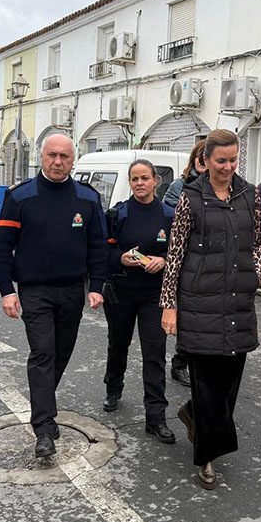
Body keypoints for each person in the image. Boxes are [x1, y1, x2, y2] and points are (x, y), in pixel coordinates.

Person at [0, 133, 108, 459]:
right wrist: (6, 292)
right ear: (42, 157)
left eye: (65, 157)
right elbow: (1, 248)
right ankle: (43, 427)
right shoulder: (21, 196)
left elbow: (99, 245)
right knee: (43, 352)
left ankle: (44, 407)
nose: (58, 162)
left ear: (73, 160)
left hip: (72, 289)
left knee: (61, 353)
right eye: (52, 155)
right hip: (35, 290)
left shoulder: (87, 198)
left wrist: (97, 286)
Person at [160, 129, 261, 490]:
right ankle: (205, 458)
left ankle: (192, 415)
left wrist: (258, 275)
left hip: (238, 300)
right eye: (221, 160)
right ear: (205, 160)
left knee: (230, 383)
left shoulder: (251, 194)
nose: (228, 167)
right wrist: (169, 305)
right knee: (207, 385)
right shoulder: (191, 197)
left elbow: (257, 242)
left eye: (234, 160)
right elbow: (175, 253)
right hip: (199, 301)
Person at [101, 160, 175, 444]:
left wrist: (164, 260)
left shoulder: (169, 215)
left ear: (156, 180)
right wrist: (120, 257)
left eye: (145, 178)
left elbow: (180, 254)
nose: (140, 183)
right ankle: (113, 387)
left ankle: (156, 417)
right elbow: (103, 251)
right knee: (118, 343)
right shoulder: (118, 214)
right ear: (130, 182)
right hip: (121, 292)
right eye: (135, 179)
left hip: (154, 294)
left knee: (154, 354)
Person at [161, 139, 207, 388]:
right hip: (186, 259)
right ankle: (180, 364)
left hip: (209, 261)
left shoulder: (220, 187)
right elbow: (171, 221)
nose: (204, 160)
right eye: (200, 155)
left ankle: (200, 361)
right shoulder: (179, 186)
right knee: (187, 316)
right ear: (195, 159)